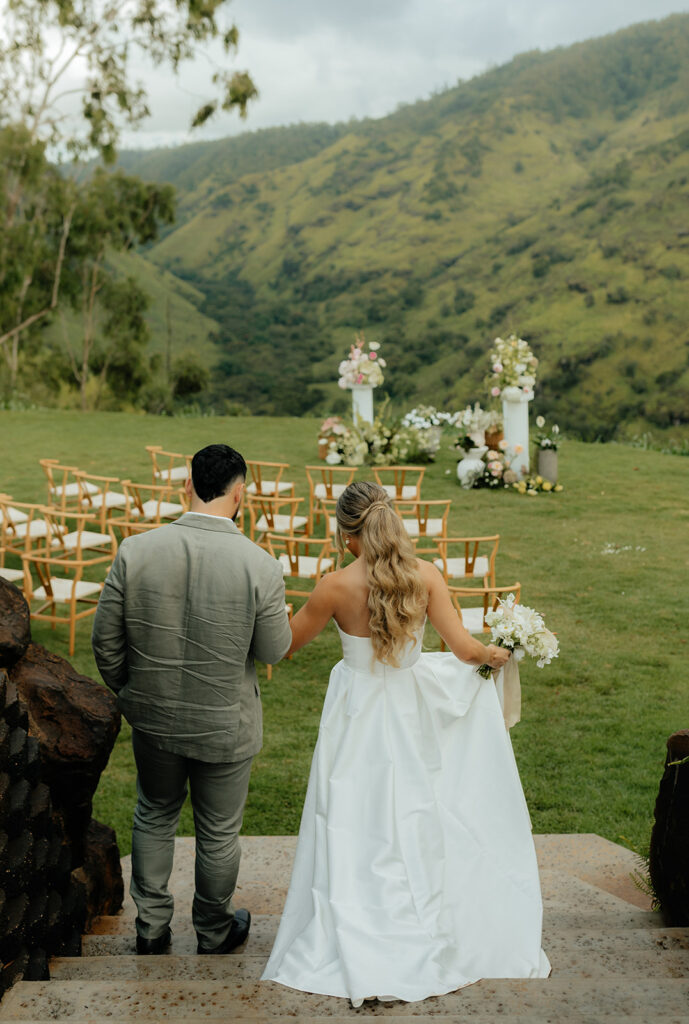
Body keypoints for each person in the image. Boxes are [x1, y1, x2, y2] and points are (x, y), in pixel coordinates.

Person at [262, 480, 550, 1005]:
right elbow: (463, 650)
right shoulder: (427, 578)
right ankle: (418, 912)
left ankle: (357, 914)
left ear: (347, 533)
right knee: (413, 813)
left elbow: (283, 646)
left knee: (352, 817)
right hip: (409, 715)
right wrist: (497, 651)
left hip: (356, 719)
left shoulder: (333, 586)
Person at [92, 443, 291, 956]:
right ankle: (213, 929)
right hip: (226, 721)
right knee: (219, 831)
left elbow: (105, 643)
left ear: (187, 486)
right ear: (240, 493)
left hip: (154, 718)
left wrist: (131, 691)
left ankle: (151, 929)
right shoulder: (260, 565)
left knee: (154, 813)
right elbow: (274, 649)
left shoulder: (135, 550)